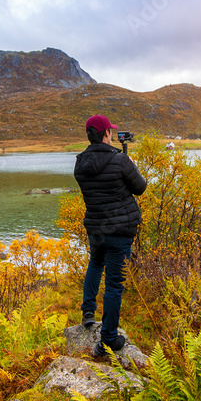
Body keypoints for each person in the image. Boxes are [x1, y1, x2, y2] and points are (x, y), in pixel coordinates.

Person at [74, 114, 147, 358]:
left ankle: (88, 312)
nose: (113, 135)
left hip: (96, 228)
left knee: (95, 263)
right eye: (111, 132)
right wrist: (129, 163)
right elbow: (140, 187)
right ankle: (107, 340)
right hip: (121, 230)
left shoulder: (80, 163)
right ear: (106, 134)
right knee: (115, 284)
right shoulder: (121, 161)